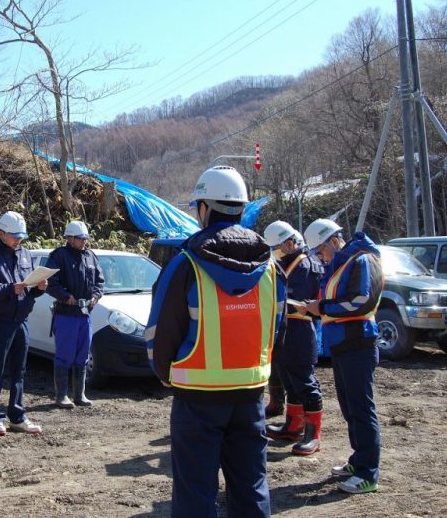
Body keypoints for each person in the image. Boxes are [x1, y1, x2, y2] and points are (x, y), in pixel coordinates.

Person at [146, 165, 286, 518]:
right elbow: (277, 328)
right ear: (241, 208)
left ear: (205, 209)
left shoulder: (186, 264)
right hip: (251, 393)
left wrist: (165, 373)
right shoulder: (270, 267)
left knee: (196, 492)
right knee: (251, 487)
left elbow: (160, 334)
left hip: (197, 399)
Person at [301, 219, 384, 494]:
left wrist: (321, 307)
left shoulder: (362, 260)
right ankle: (358, 460)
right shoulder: (343, 264)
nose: (320, 258)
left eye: (320, 252)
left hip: (358, 342)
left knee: (361, 409)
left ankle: (368, 472)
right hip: (343, 344)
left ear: (331, 242)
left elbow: (361, 301)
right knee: (351, 409)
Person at [0, 211, 48, 436]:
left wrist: (37, 289)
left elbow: (28, 289)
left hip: (21, 321)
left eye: (21, 236)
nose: (18, 240)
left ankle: (17, 416)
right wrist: (9, 289)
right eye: (14, 236)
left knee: (19, 371)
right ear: (1, 233)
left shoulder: (25, 254)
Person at [263, 221, 325, 456]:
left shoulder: (305, 265)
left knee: (305, 382)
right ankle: (293, 426)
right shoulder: (287, 263)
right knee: (290, 381)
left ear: (290, 243)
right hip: (285, 331)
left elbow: (296, 301)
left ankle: (313, 434)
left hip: (300, 331)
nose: (275, 254)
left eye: (277, 248)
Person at [45, 221, 105, 408]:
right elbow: (50, 282)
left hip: (84, 315)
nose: (84, 242)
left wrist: (96, 296)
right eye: (80, 239)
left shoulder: (90, 256)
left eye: (85, 238)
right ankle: (61, 396)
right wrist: (65, 296)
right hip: (66, 314)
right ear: (69, 238)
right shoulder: (58, 256)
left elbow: (100, 281)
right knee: (64, 354)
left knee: (82, 355)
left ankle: (79, 395)